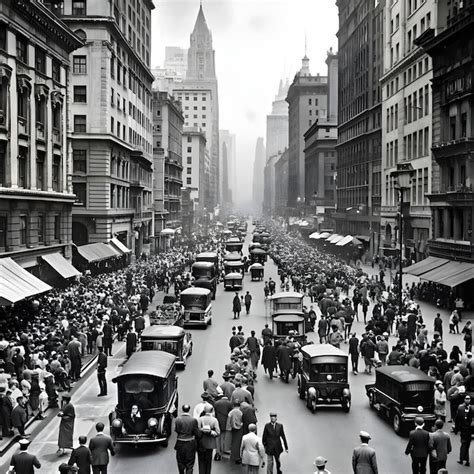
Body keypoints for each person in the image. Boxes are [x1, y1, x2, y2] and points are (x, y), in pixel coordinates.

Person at [174, 404, 200, 474]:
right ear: (189, 409)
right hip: (190, 443)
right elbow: (196, 432)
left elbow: (177, 430)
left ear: (182, 409)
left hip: (180, 442)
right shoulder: (193, 420)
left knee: (180, 462)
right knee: (190, 463)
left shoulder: (178, 419)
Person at [197, 404, 220, 474]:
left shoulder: (200, 419)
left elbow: (197, 431)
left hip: (201, 443)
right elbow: (218, 433)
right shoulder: (214, 420)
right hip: (210, 444)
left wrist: (203, 430)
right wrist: (210, 432)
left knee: (201, 461)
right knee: (208, 461)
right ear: (212, 411)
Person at [454, 394, 473, 467]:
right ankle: (464, 460)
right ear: (464, 399)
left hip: (469, 430)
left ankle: (464, 460)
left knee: (466, 445)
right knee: (464, 445)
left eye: (468, 399)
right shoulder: (460, 408)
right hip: (464, 429)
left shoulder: (471, 408)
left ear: (470, 400)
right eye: (466, 398)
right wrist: (456, 429)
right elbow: (457, 419)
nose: (467, 400)